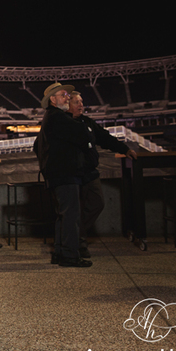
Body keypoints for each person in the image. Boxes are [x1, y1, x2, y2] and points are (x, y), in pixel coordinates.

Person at [68, 91, 137, 257]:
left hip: (90, 173)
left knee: (97, 203)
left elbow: (105, 138)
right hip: (71, 174)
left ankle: (76, 236)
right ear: (67, 105)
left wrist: (125, 149)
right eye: (76, 102)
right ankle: (77, 243)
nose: (81, 105)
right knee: (73, 210)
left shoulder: (87, 122)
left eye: (81, 101)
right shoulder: (64, 123)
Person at [35, 83, 95, 267]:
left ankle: (61, 254)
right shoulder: (58, 117)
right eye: (63, 95)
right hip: (65, 174)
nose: (67, 98)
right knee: (70, 216)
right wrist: (87, 134)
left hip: (57, 174)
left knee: (63, 215)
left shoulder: (51, 117)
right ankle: (69, 255)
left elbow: (36, 146)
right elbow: (85, 135)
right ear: (53, 100)